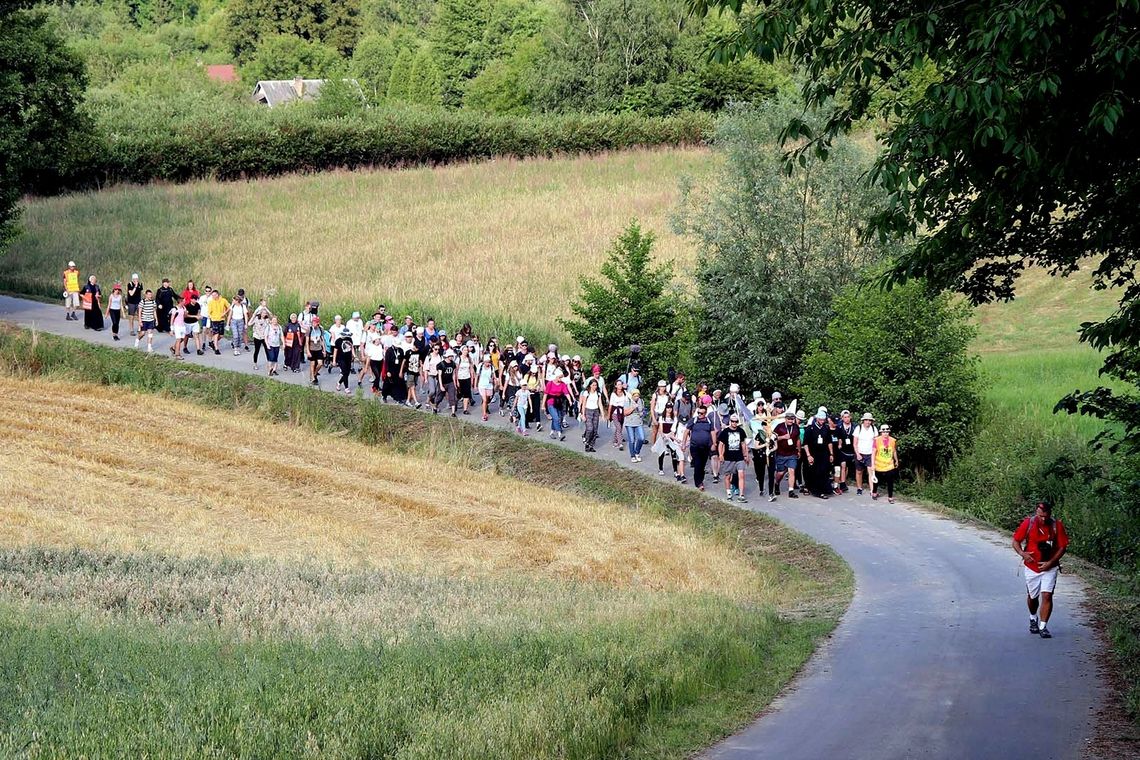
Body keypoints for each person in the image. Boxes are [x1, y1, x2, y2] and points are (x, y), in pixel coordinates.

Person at [1012, 501, 1069, 639]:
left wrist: (1050, 563)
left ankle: (1043, 626)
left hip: (1050, 567)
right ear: (1036, 513)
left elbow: (1062, 547)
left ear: (1050, 514)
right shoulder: (1029, 523)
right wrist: (1023, 554)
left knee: (1047, 595)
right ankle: (1033, 618)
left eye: (1045, 516)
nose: (1043, 519)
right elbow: (1015, 541)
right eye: (1040, 516)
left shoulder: (1057, 525)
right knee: (1032, 597)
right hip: (1032, 567)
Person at [717, 413, 750, 502]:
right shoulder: (725, 431)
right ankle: (728, 493)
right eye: (733, 421)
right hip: (728, 457)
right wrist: (720, 455)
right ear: (730, 421)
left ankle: (741, 495)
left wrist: (746, 455)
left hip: (739, 457)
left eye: (736, 422)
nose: (734, 423)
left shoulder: (741, 431)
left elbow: (743, 444)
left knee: (741, 475)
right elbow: (721, 444)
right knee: (727, 476)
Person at [770, 410, 801, 501]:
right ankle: (776, 483)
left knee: (792, 470)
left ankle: (791, 491)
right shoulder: (779, 427)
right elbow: (773, 438)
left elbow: (798, 439)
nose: (790, 421)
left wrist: (799, 450)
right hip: (781, 454)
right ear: (785, 419)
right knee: (781, 472)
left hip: (792, 454)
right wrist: (783, 437)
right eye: (789, 419)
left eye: (792, 419)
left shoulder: (796, 427)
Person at [805, 408, 834, 499]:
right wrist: (808, 455)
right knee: (815, 472)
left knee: (824, 471)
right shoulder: (810, 428)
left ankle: (824, 489)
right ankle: (816, 491)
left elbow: (829, 441)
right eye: (820, 419)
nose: (822, 421)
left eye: (823, 419)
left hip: (824, 452)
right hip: (814, 452)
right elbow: (805, 443)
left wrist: (831, 454)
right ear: (817, 419)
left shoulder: (826, 428)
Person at [687, 404, 715, 491]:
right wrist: (684, 443)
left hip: (705, 447)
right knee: (698, 464)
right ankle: (698, 482)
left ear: (705, 413)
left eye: (701, 413)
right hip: (695, 446)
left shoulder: (709, 422)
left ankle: (701, 480)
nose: (699, 415)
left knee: (702, 465)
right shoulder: (693, 420)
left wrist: (714, 444)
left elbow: (713, 432)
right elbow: (686, 431)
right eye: (698, 413)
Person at [871, 424, 899, 502]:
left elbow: (894, 451)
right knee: (876, 481)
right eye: (884, 431)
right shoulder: (876, 440)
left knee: (890, 481)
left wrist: (896, 460)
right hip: (878, 465)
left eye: (887, 431)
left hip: (889, 465)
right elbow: (873, 453)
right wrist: (872, 464)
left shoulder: (893, 440)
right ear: (881, 432)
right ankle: (874, 493)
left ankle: (890, 497)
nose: (885, 433)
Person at [579, 377, 607, 452]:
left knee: (595, 430)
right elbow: (583, 404)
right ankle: (587, 443)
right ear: (590, 385)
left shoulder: (598, 393)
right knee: (590, 428)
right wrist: (583, 414)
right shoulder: (586, 393)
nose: (595, 387)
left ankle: (591, 445)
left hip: (595, 411)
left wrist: (603, 414)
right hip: (588, 411)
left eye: (596, 385)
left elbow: (600, 403)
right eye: (593, 385)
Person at [544, 369, 572, 441]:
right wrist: (543, 405)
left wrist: (570, 400)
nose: (560, 379)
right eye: (559, 377)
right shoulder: (550, 383)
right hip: (550, 402)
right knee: (556, 418)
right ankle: (559, 433)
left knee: (558, 417)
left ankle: (552, 432)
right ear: (555, 377)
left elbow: (566, 393)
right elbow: (545, 394)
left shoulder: (562, 384)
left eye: (561, 377)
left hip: (558, 402)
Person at [853, 412, 876, 494]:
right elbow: (855, 443)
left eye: (869, 420)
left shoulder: (874, 428)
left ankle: (872, 490)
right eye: (866, 420)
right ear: (863, 421)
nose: (868, 422)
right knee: (859, 471)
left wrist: (875, 453)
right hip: (860, 453)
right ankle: (859, 488)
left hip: (870, 454)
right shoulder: (858, 428)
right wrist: (858, 454)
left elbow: (875, 442)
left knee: (871, 471)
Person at [835, 410, 856, 493]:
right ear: (842, 418)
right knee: (843, 465)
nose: (847, 419)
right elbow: (838, 437)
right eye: (845, 417)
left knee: (846, 467)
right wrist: (839, 444)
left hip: (851, 449)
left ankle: (842, 481)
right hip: (842, 450)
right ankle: (843, 484)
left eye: (848, 417)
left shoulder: (855, 426)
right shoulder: (839, 426)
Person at [623, 389, 646, 463]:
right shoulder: (628, 401)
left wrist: (643, 413)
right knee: (632, 440)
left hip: (638, 422)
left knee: (641, 438)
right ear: (632, 396)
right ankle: (632, 455)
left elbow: (642, 410)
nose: (637, 397)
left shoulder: (641, 401)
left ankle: (637, 452)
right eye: (635, 396)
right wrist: (633, 408)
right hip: (629, 422)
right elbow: (625, 413)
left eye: (638, 396)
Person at [206, 289, 230, 356]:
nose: (213, 296)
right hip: (214, 320)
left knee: (221, 335)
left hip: (221, 319)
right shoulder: (211, 302)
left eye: (214, 295)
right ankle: (216, 349)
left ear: (217, 295)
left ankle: (213, 342)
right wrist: (210, 316)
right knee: (216, 334)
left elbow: (229, 307)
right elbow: (209, 312)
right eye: (212, 295)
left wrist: (224, 313)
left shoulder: (223, 300)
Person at [333, 326, 355, 394]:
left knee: (347, 373)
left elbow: (352, 347)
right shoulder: (338, 341)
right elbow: (335, 351)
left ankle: (339, 382)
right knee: (345, 372)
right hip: (341, 359)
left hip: (348, 358)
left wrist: (353, 355)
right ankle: (346, 388)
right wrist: (334, 360)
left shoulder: (349, 339)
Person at [307, 316, 327, 386]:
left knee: (320, 364)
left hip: (319, 348)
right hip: (312, 348)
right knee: (312, 364)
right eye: (313, 322)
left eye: (315, 322)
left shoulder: (321, 329)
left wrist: (324, 350)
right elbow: (307, 342)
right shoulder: (309, 329)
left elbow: (322, 340)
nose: (314, 323)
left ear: (318, 323)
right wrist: (308, 351)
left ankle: (315, 373)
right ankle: (313, 378)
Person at [477, 355, 498, 420]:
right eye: (486, 362)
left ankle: (485, 407)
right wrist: (475, 385)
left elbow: (494, 376)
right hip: (482, 385)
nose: (487, 363)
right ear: (483, 362)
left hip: (489, 385)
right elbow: (477, 375)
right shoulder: (480, 366)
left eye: (489, 362)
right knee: (485, 399)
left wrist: (494, 380)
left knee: (488, 399)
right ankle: (484, 414)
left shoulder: (492, 367)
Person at [608, 379, 627, 450]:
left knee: (620, 428)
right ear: (616, 386)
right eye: (618, 384)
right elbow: (610, 405)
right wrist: (609, 416)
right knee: (618, 427)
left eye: (621, 384)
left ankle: (615, 440)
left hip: (622, 413)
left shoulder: (625, 393)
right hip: (615, 413)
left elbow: (629, 400)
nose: (620, 386)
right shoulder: (613, 394)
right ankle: (620, 443)